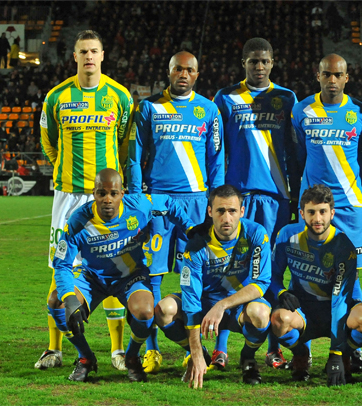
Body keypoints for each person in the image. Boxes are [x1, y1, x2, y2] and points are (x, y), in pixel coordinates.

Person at [37, 30, 133, 371]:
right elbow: (48, 142)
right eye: (83, 51)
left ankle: (117, 351)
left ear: (102, 55)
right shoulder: (56, 97)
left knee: (112, 264)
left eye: (94, 50)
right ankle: (54, 348)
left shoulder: (120, 96)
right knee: (59, 266)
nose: (89, 56)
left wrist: (112, 183)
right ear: (74, 56)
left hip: (106, 196)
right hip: (67, 194)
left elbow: (124, 143)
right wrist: (64, 172)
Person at [48, 168, 196, 382]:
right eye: (101, 193)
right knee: (57, 303)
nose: (107, 199)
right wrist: (69, 298)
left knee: (146, 312)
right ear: (94, 194)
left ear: (122, 194)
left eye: (113, 193)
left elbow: (168, 203)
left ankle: (132, 357)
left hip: (130, 276)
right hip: (92, 277)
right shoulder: (78, 220)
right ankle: (85, 358)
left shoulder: (138, 206)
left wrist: (190, 228)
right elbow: (61, 264)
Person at [127, 51, 225, 374]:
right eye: (178, 69)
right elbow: (134, 155)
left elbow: (216, 160)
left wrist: (215, 203)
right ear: (169, 72)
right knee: (152, 274)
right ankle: (152, 350)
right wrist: (138, 198)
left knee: (192, 275)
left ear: (197, 74)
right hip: (157, 203)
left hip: (196, 203)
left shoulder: (209, 110)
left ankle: (190, 347)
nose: (183, 74)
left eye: (189, 70)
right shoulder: (149, 107)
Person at [213, 37, 298, 370]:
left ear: (272, 63)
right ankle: (220, 347)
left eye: (264, 61)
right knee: (228, 267)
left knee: (273, 270)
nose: (259, 67)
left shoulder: (286, 98)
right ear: (244, 63)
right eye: (253, 61)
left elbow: (294, 151)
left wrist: (295, 194)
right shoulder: (226, 97)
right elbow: (217, 149)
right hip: (238, 198)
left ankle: (273, 347)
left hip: (276, 197)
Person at [154, 184, 272, 388]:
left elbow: (260, 283)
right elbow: (191, 297)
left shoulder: (256, 234)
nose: (226, 218)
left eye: (232, 211)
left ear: (242, 211)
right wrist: (195, 352)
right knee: (164, 310)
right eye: (220, 211)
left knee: (260, 313)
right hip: (204, 304)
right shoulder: (197, 244)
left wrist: (222, 305)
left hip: (238, 306)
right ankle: (201, 354)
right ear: (210, 211)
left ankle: (248, 357)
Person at [269, 185, 362, 385]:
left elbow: (340, 299)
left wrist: (336, 353)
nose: (317, 219)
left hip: (338, 308)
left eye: (322, 212)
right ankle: (301, 353)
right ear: (302, 213)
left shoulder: (343, 245)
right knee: (278, 320)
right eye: (311, 212)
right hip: (304, 308)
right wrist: (282, 292)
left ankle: (346, 354)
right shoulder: (287, 235)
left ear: (332, 213)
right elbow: (273, 276)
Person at [292, 53, 362, 272]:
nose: (332, 80)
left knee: (351, 272)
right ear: (318, 76)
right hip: (313, 205)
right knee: (310, 270)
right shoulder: (301, 110)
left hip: (350, 202)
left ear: (346, 78)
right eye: (327, 74)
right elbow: (299, 154)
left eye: (338, 75)